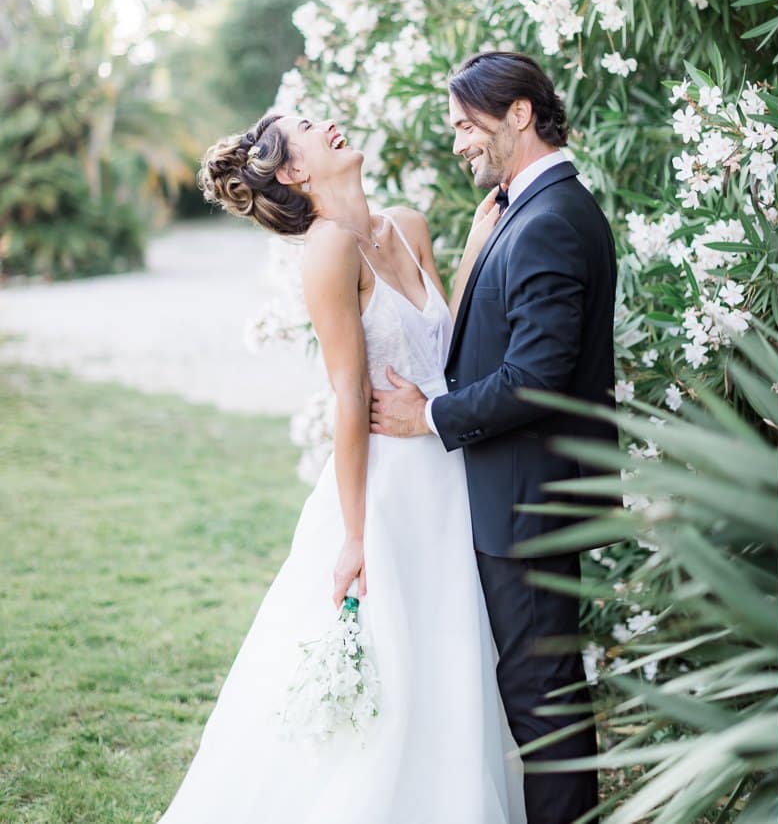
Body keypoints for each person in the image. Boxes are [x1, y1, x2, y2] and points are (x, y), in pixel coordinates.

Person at [164, 111, 525, 823]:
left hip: (446, 480)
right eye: (307, 126)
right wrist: (356, 536)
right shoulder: (327, 251)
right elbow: (346, 395)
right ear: (294, 173)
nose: (329, 122)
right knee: (387, 670)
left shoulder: (407, 225)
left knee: (446, 666)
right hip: (386, 493)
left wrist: (477, 246)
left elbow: (440, 348)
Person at [370, 50, 616, 822]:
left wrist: (428, 417)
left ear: (519, 114)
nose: (457, 142)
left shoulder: (549, 220)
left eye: (464, 124)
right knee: (540, 699)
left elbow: (536, 374)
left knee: (546, 711)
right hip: (521, 497)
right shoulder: (530, 211)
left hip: (530, 505)